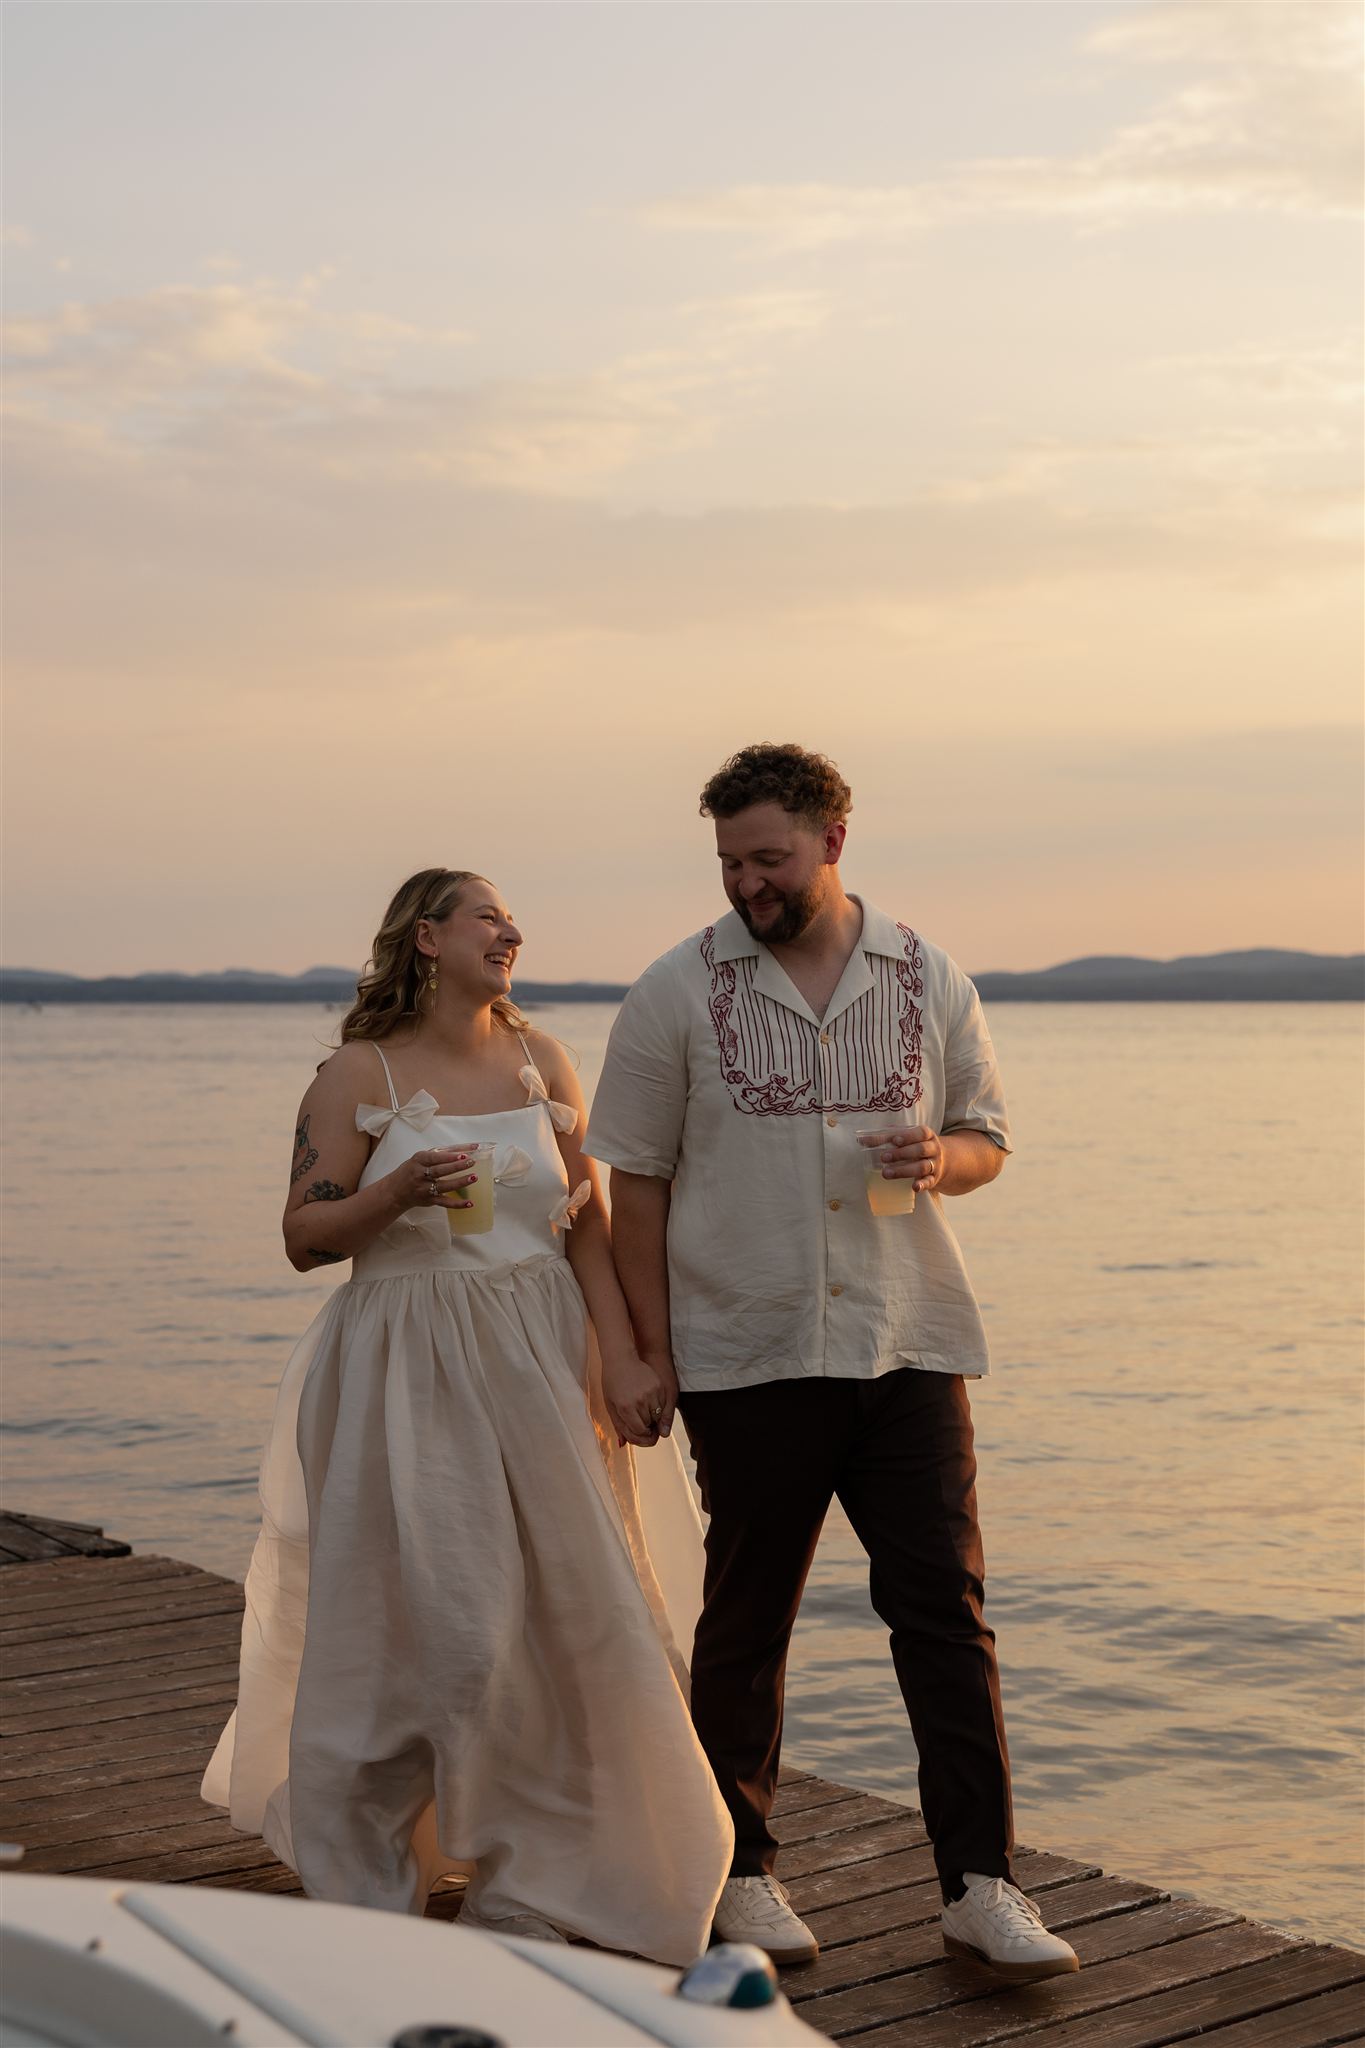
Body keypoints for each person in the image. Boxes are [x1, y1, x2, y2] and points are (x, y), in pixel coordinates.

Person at [585, 743, 1080, 1983]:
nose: (748, 881)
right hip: (744, 1354)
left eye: (770, 857)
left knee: (946, 1617)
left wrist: (940, 1162)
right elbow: (632, 1187)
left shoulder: (926, 972)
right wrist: (642, 1352)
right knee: (747, 1621)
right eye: (730, 861)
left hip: (909, 1343)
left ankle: (981, 1884)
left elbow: (988, 1137)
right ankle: (738, 1869)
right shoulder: (673, 989)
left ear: (832, 840)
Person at [202, 868, 732, 1964]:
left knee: (566, 1621)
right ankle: (370, 1852)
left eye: (511, 917)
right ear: (428, 937)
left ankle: (535, 1869)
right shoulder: (361, 1071)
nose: (511, 930)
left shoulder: (542, 1061)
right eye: (487, 914)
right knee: (434, 1628)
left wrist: (629, 1358)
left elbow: (584, 1230)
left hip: (546, 1366)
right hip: (407, 1371)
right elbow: (304, 1235)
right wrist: (395, 1193)